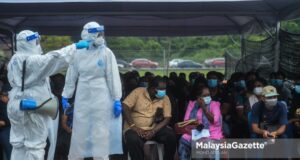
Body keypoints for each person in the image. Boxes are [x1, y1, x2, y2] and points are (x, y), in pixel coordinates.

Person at [7, 30, 89, 160]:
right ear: (31, 42)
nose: (38, 44)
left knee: (19, 144)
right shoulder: (32, 60)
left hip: (16, 104)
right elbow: (54, 58)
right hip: (31, 106)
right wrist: (75, 47)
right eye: (36, 41)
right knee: (35, 146)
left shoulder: (14, 59)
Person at [61, 21, 123, 160]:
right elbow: (71, 75)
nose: (101, 36)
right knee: (79, 132)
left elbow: (112, 77)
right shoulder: (77, 52)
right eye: (98, 33)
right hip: (82, 94)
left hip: (101, 95)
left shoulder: (106, 53)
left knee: (100, 132)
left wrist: (116, 98)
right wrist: (66, 95)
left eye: (101, 33)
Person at [122, 76, 176, 160]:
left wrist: (153, 131)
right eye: (160, 89)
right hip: (135, 129)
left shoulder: (165, 98)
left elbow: (167, 118)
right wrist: (133, 126)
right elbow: (125, 106)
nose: (163, 92)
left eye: (164, 89)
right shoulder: (138, 92)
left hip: (154, 129)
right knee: (132, 140)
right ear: (151, 88)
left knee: (171, 136)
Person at [178, 86, 223, 160]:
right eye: (204, 96)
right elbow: (186, 120)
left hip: (211, 134)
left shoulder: (214, 104)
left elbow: (215, 121)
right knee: (183, 139)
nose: (208, 97)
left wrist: (204, 109)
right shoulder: (192, 104)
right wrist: (195, 125)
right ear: (198, 97)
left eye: (208, 95)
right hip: (195, 133)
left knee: (201, 144)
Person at [0, 84, 12, 160]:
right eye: (2, 95)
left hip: (9, 128)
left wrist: (3, 123)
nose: (3, 97)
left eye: (6, 95)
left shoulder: (12, 104)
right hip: (4, 130)